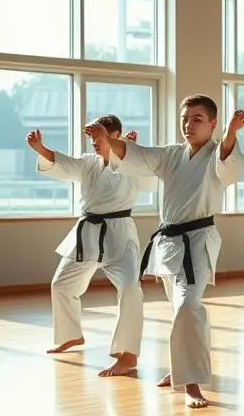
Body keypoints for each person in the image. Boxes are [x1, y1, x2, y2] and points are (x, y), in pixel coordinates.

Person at [84, 96, 244, 409]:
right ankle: (180, 367)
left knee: (188, 307)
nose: (188, 125)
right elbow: (137, 156)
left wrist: (231, 133)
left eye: (197, 119)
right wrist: (107, 140)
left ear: (212, 124)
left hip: (198, 241)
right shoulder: (172, 154)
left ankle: (192, 384)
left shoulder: (219, 150)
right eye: (185, 118)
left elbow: (227, 163)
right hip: (169, 242)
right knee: (179, 309)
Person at [29, 117, 156, 377]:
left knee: (131, 289)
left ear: (116, 135)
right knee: (61, 285)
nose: (95, 143)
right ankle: (70, 335)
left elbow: (149, 181)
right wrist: (41, 149)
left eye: (99, 137)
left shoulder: (131, 161)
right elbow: (65, 164)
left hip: (119, 235)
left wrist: (130, 151)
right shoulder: (89, 162)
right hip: (87, 233)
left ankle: (128, 354)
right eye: (92, 138)